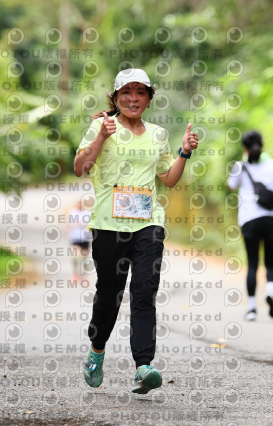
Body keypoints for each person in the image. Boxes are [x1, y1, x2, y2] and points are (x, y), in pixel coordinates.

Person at [73, 68, 198, 393]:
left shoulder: (157, 134)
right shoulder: (101, 126)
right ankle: (96, 351)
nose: (133, 98)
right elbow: (80, 168)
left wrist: (184, 152)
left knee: (144, 293)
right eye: (126, 92)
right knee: (109, 295)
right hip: (108, 225)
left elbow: (168, 179)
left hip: (148, 223)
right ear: (115, 98)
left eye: (140, 92)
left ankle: (144, 366)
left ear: (149, 98)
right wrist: (101, 137)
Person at [227, 130, 273, 321]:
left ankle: (251, 309)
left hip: (250, 218)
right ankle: (270, 291)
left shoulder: (240, 166)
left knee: (253, 263)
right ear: (262, 144)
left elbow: (231, 185)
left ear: (245, 147)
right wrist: (272, 195)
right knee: (271, 261)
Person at [66, 200, 92, 281]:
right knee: (75, 256)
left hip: (85, 238)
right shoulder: (72, 213)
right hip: (75, 237)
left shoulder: (87, 213)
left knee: (85, 258)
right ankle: (75, 274)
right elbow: (69, 224)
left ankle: (84, 275)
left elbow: (90, 224)